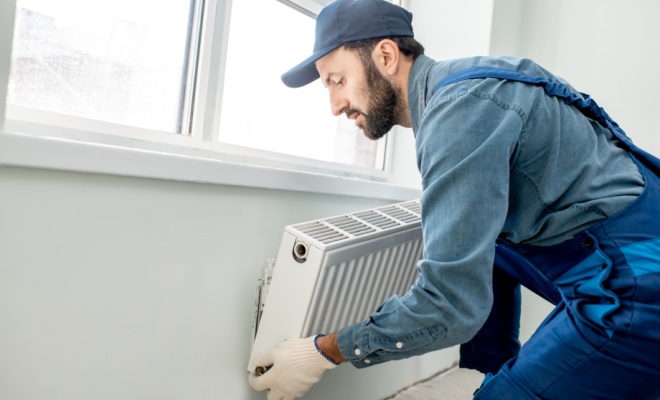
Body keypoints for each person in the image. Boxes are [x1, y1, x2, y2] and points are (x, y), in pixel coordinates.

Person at [248, 0, 660, 399]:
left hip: (639, 281)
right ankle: (503, 374)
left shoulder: (457, 117)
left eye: (337, 81)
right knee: (480, 233)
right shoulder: (476, 80)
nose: (335, 105)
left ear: (387, 56)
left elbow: (448, 304)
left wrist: (322, 352)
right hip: (632, 244)